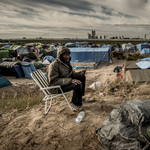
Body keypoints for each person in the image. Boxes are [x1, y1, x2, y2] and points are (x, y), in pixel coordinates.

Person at [47, 46, 86, 111]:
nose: (67, 56)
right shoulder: (54, 65)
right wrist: (70, 81)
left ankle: (79, 97)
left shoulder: (66, 63)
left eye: (68, 54)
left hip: (64, 83)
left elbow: (72, 73)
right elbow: (53, 81)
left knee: (82, 78)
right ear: (60, 55)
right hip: (56, 87)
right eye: (65, 54)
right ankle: (75, 103)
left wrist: (79, 74)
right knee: (77, 84)